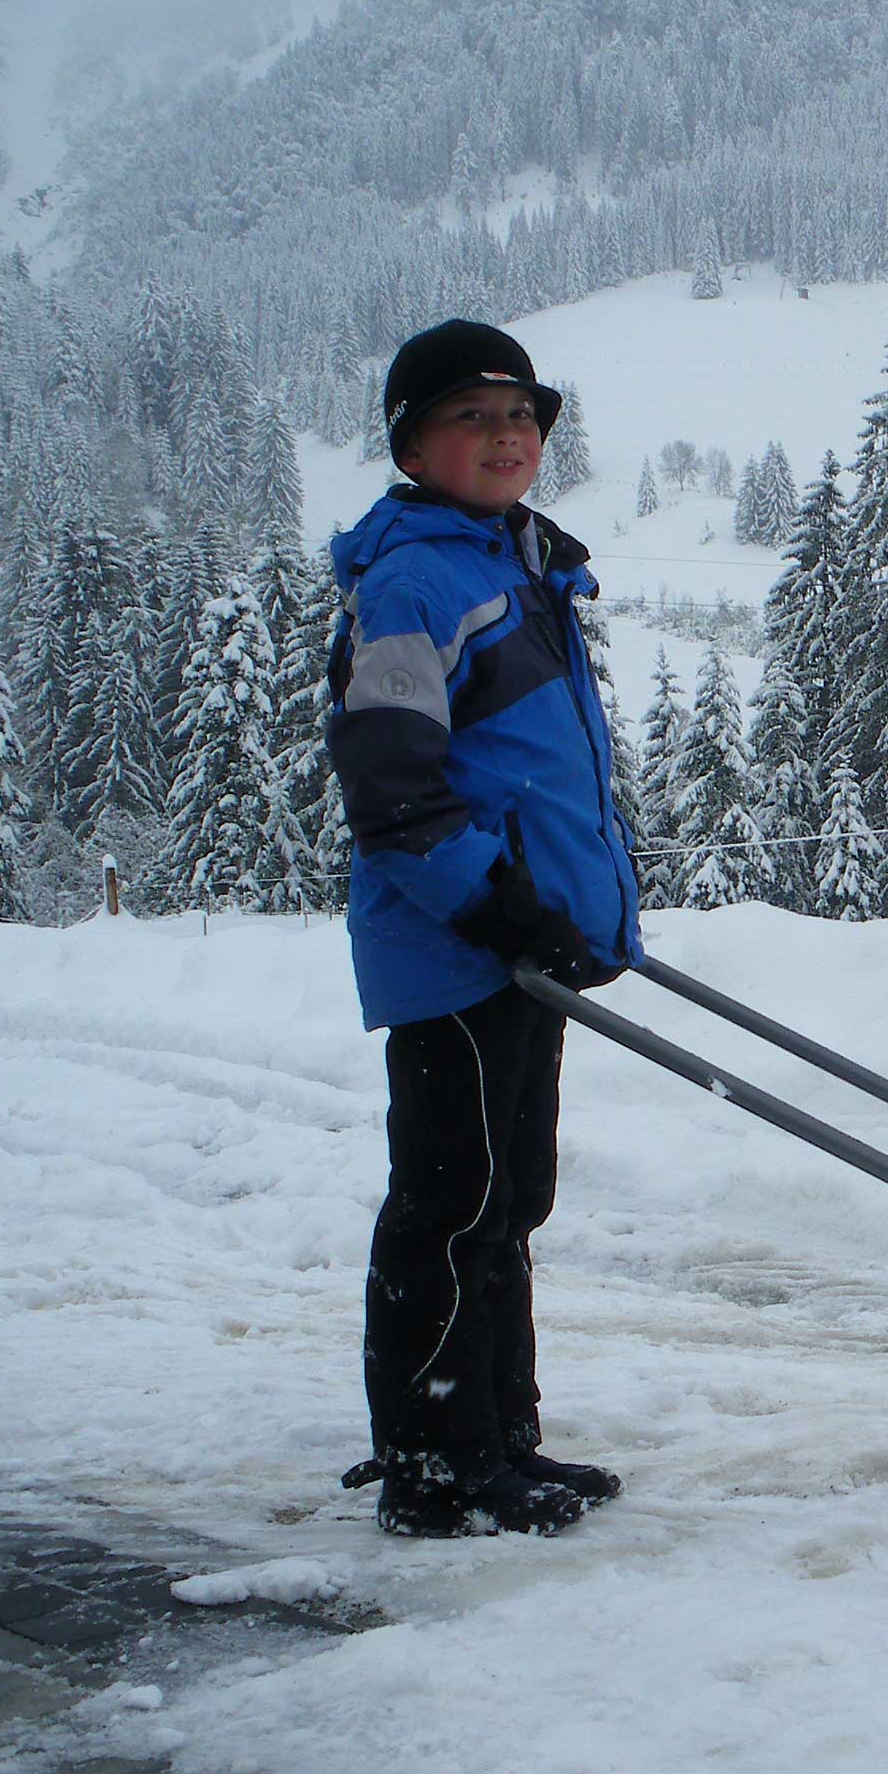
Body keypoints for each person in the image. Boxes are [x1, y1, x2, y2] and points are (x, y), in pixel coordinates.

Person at [326, 319, 642, 1537]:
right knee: (450, 1205)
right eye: (473, 418)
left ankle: (500, 1438)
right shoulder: (416, 578)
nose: (507, 438)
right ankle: (433, 1462)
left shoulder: (514, 561)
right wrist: (495, 904)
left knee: (509, 1200)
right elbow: (393, 787)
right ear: (413, 444)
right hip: (453, 946)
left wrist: (559, 912)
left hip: (517, 941)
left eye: (523, 418)